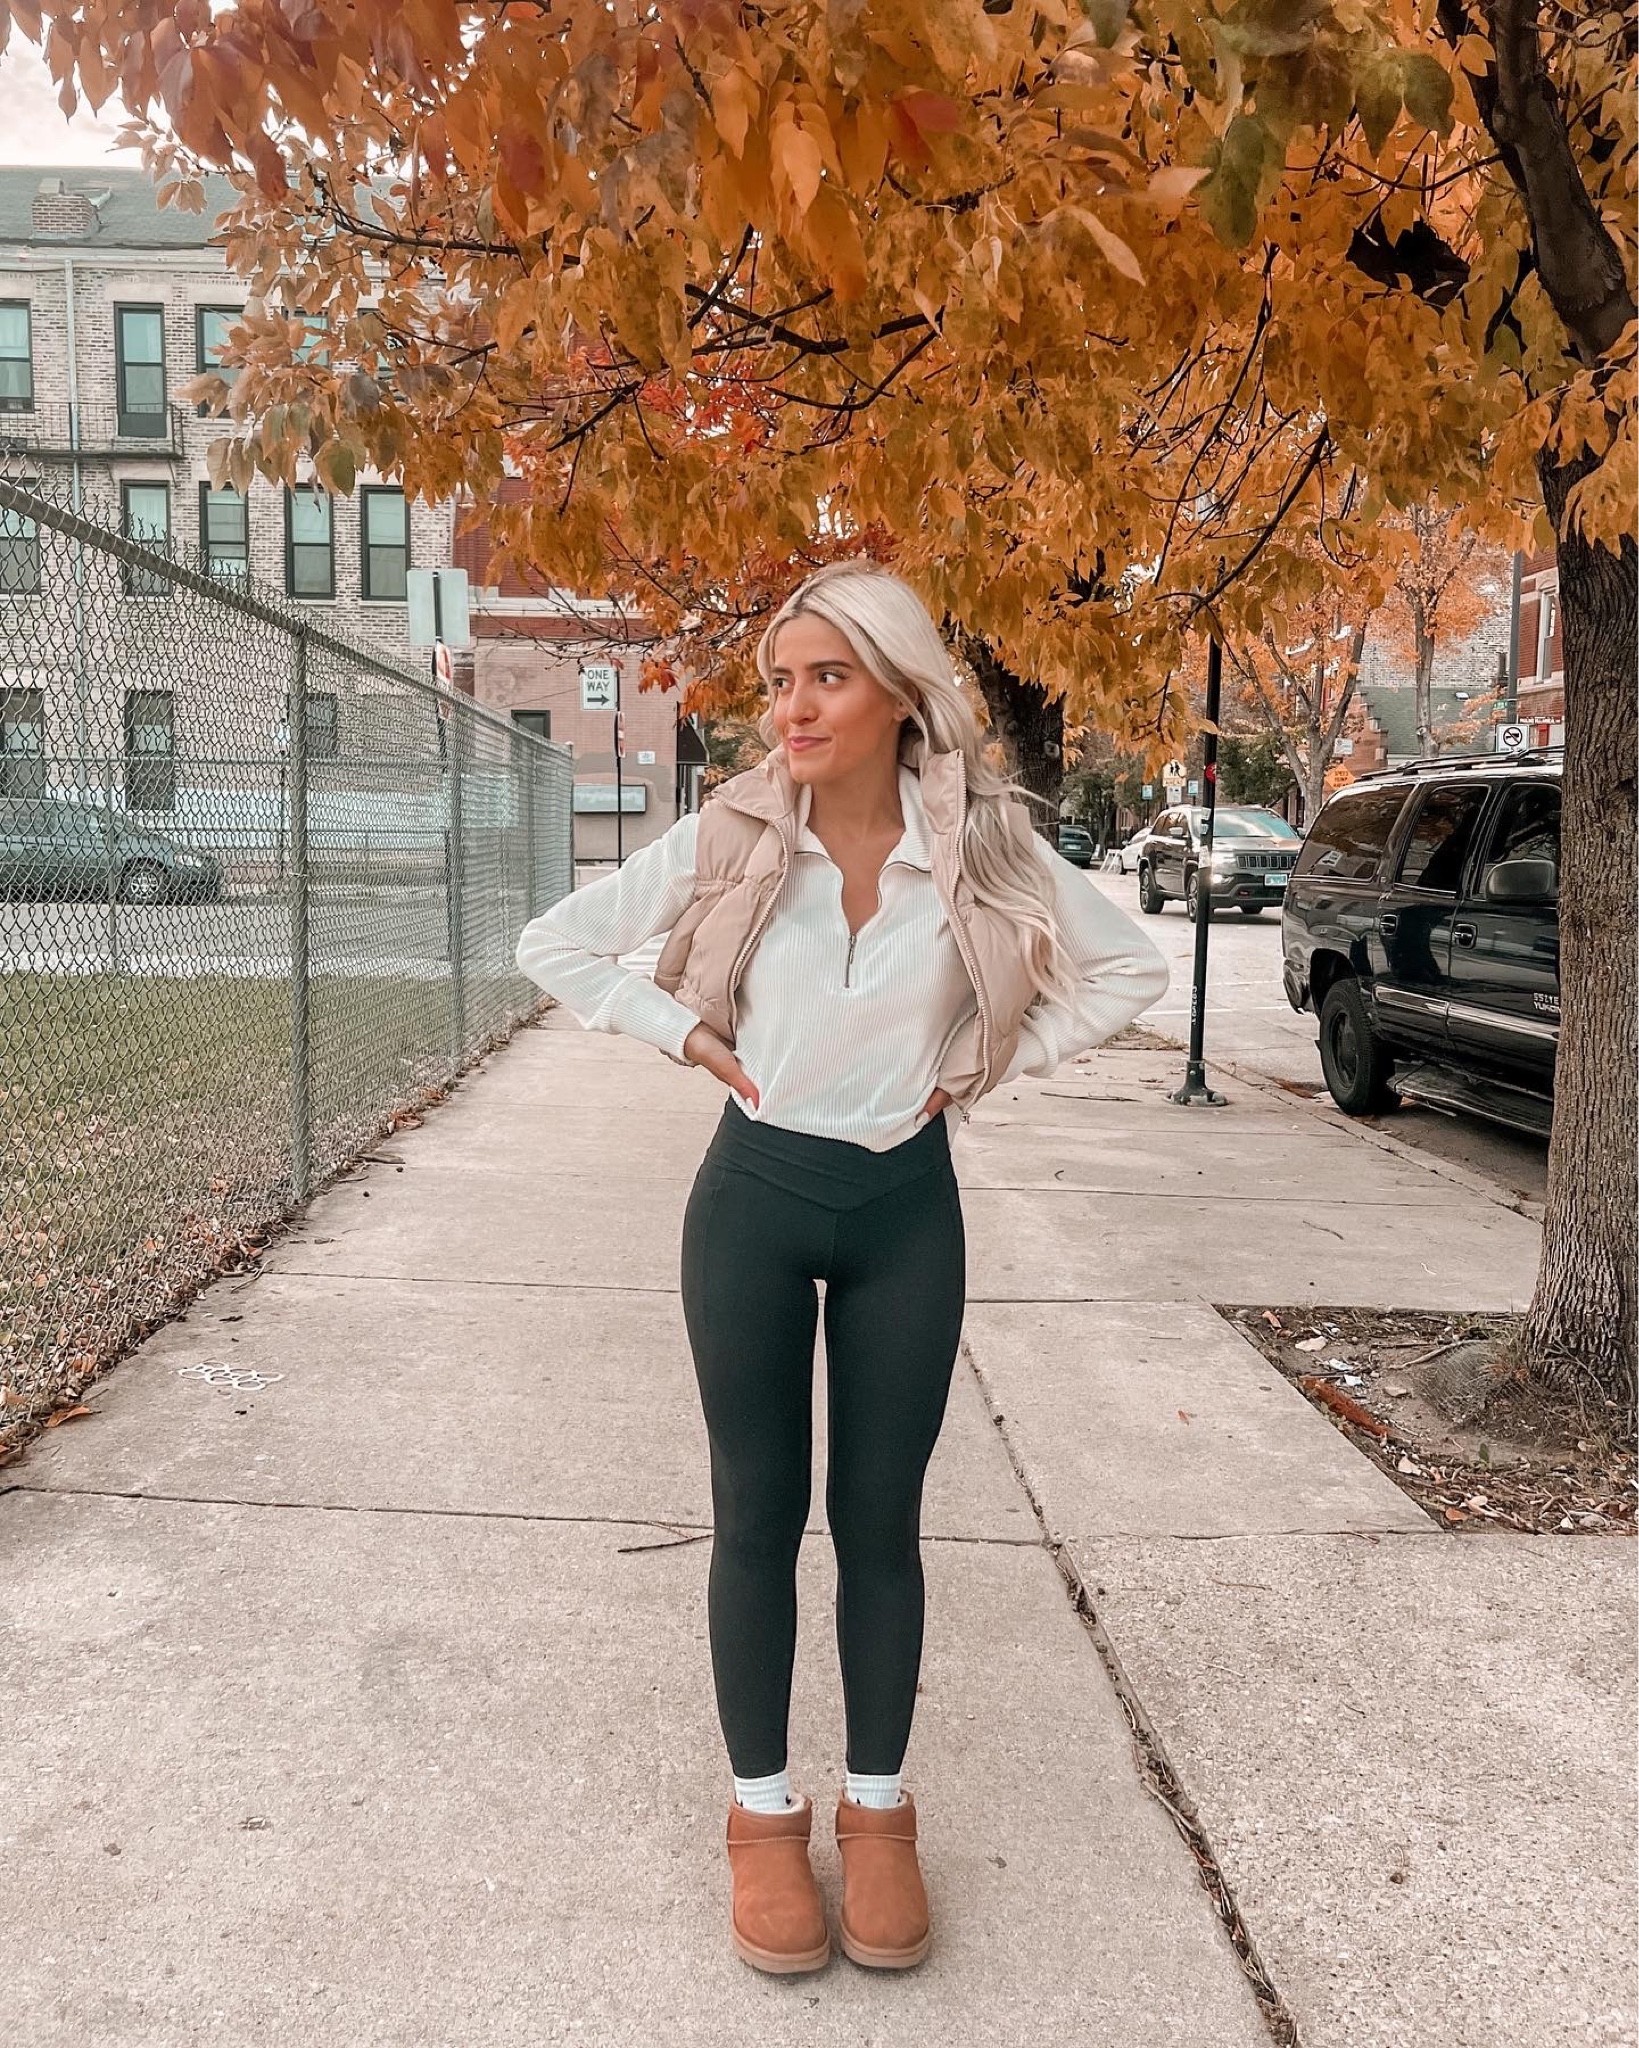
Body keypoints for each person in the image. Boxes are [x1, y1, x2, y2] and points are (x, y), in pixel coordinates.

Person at [514, 563, 1168, 1977]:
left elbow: (1126, 973)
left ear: (897, 689)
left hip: (903, 1214)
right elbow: (554, 942)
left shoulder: (983, 841)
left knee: (882, 1522)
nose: (793, 708)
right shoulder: (737, 830)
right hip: (751, 1199)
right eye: (780, 681)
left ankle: (877, 1814)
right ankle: (762, 1818)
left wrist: (991, 1063)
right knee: (758, 1512)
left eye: (826, 676)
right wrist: (679, 1033)